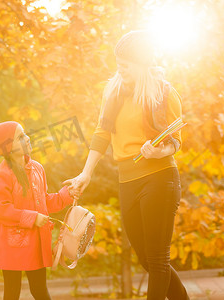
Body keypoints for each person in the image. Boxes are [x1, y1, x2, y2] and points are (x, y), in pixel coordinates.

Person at [63, 30, 189, 299]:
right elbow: (102, 133)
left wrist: (158, 152)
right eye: (118, 62)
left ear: (143, 64)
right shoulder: (114, 93)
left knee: (157, 260)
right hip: (127, 181)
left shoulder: (165, 94)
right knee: (147, 259)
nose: (120, 68)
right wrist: (86, 173)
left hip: (159, 177)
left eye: (126, 64)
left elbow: (176, 141)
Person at [0, 121, 77, 300]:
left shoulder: (37, 169)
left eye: (25, 134)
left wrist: (66, 195)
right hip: (11, 243)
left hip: (35, 241)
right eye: (20, 137)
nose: (28, 138)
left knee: (39, 290)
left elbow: (44, 201)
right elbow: (0, 208)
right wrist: (31, 217)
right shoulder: (2, 175)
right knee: (12, 292)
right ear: (8, 147)